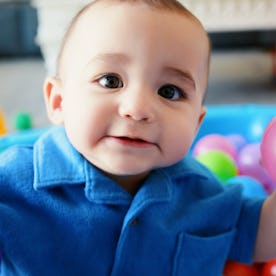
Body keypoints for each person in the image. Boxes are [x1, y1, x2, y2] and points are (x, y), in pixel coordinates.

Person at [0, 0, 275, 275]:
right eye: (110, 81)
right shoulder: (13, 182)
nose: (138, 108)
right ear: (59, 102)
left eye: (169, 91)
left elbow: (258, 236)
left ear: (196, 124)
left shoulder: (200, 190)